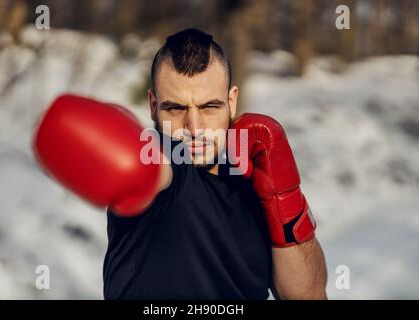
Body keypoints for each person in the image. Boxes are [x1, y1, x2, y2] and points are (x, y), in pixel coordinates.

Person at [33, 28, 327, 300]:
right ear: (153, 105)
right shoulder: (159, 162)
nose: (194, 127)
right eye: (175, 108)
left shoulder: (252, 181)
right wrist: (129, 158)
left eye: (209, 106)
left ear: (232, 101)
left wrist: (284, 198)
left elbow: (308, 295)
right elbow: (154, 164)